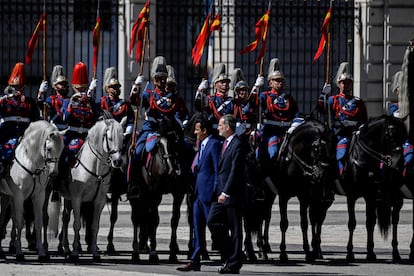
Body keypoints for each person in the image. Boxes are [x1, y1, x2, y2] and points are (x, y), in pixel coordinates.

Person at [128, 56, 189, 198]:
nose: (161, 81)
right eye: (158, 78)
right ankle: (134, 184)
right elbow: (134, 102)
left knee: (186, 150)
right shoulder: (148, 94)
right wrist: (135, 88)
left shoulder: (173, 97)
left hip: (169, 131)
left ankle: (187, 182)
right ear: (154, 79)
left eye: (163, 78)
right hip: (151, 130)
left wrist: (182, 125)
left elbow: (181, 111)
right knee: (136, 152)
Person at [177, 117, 221, 272]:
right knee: (197, 228)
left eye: (197, 130)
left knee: (215, 227)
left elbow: (217, 170)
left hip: (208, 194)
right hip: (197, 194)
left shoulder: (214, 144)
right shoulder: (200, 145)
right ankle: (195, 260)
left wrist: (216, 191)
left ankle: (230, 254)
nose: (194, 133)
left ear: (204, 131)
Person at [207, 114, 246, 274]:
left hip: (231, 194)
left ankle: (234, 263)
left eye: (220, 125)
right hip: (221, 193)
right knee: (212, 221)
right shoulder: (225, 143)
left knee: (236, 230)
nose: (218, 128)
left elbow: (235, 171)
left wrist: (226, 192)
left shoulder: (237, 144)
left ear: (228, 127)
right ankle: (233, 253)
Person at [317, 61, 368, 176]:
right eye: (343, 83)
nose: (346, 85)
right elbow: (321, 108)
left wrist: (361, 129)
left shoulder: (358, 102)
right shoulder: (333, 100)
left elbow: (364, 120)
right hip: (339, 133)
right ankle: (341, 174)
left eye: (348, 83)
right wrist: (323, 94)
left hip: (355, 134)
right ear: (339, 84)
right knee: (342, 150)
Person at [257, 58, 299, 184]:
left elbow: (296, 114)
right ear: (270, 83)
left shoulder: (288, 98)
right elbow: (254, 106)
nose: (279, 83)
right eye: (276, 80)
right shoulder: (265, 96)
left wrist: (295, 125)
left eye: (281, 80)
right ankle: (272, 174)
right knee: (273, 151)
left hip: (287, 131)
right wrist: (256, 88)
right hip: (271, 131)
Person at [100, 67, 135, 200]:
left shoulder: (125, 104)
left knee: (133, 155)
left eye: (117, 87)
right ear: (107, 89)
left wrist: (128, 132)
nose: (116, 89)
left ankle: (130, 184)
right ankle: (101, 184)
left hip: (123, 137)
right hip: (107, 138)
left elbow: (131, 120)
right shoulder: (102, 103)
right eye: (113, 87)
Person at [0, 62, 40, 174]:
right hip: (5, 135)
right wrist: (3, 100)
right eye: (13, 86)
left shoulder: (29, 102)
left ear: (24, 87)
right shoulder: (5, 100)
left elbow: (36, 120)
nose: (15, 89)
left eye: (18, 86)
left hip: (25, 136)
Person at [61, 61, 99, 168]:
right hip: (72, 134)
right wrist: (71, 105)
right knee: (61, 154)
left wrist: (90, 98)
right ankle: (61, 180)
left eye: (83, 88)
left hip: (88, 135)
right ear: (73, 87)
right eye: (78, 89)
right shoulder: (67, 101)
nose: (81, 91)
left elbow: (95, 118)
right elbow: (65, 118)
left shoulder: (90, 101)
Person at [194, 63, 234, 130]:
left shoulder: (231, 101)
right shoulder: (210, 99)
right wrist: (200, 90)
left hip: (227, 132)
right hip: (213, 131)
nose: (225, 84)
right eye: (222, 82)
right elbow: (198, 105)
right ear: (215, 85)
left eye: (226, 82)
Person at [37, 65, 70, 130]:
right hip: (55, 129)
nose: (64, 86)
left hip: (68, 130)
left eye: (65, 84)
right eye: (61, 84)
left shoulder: (71, 99)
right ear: (55, 86)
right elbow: (44, 109)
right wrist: (40, 93)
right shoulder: (51, 99)